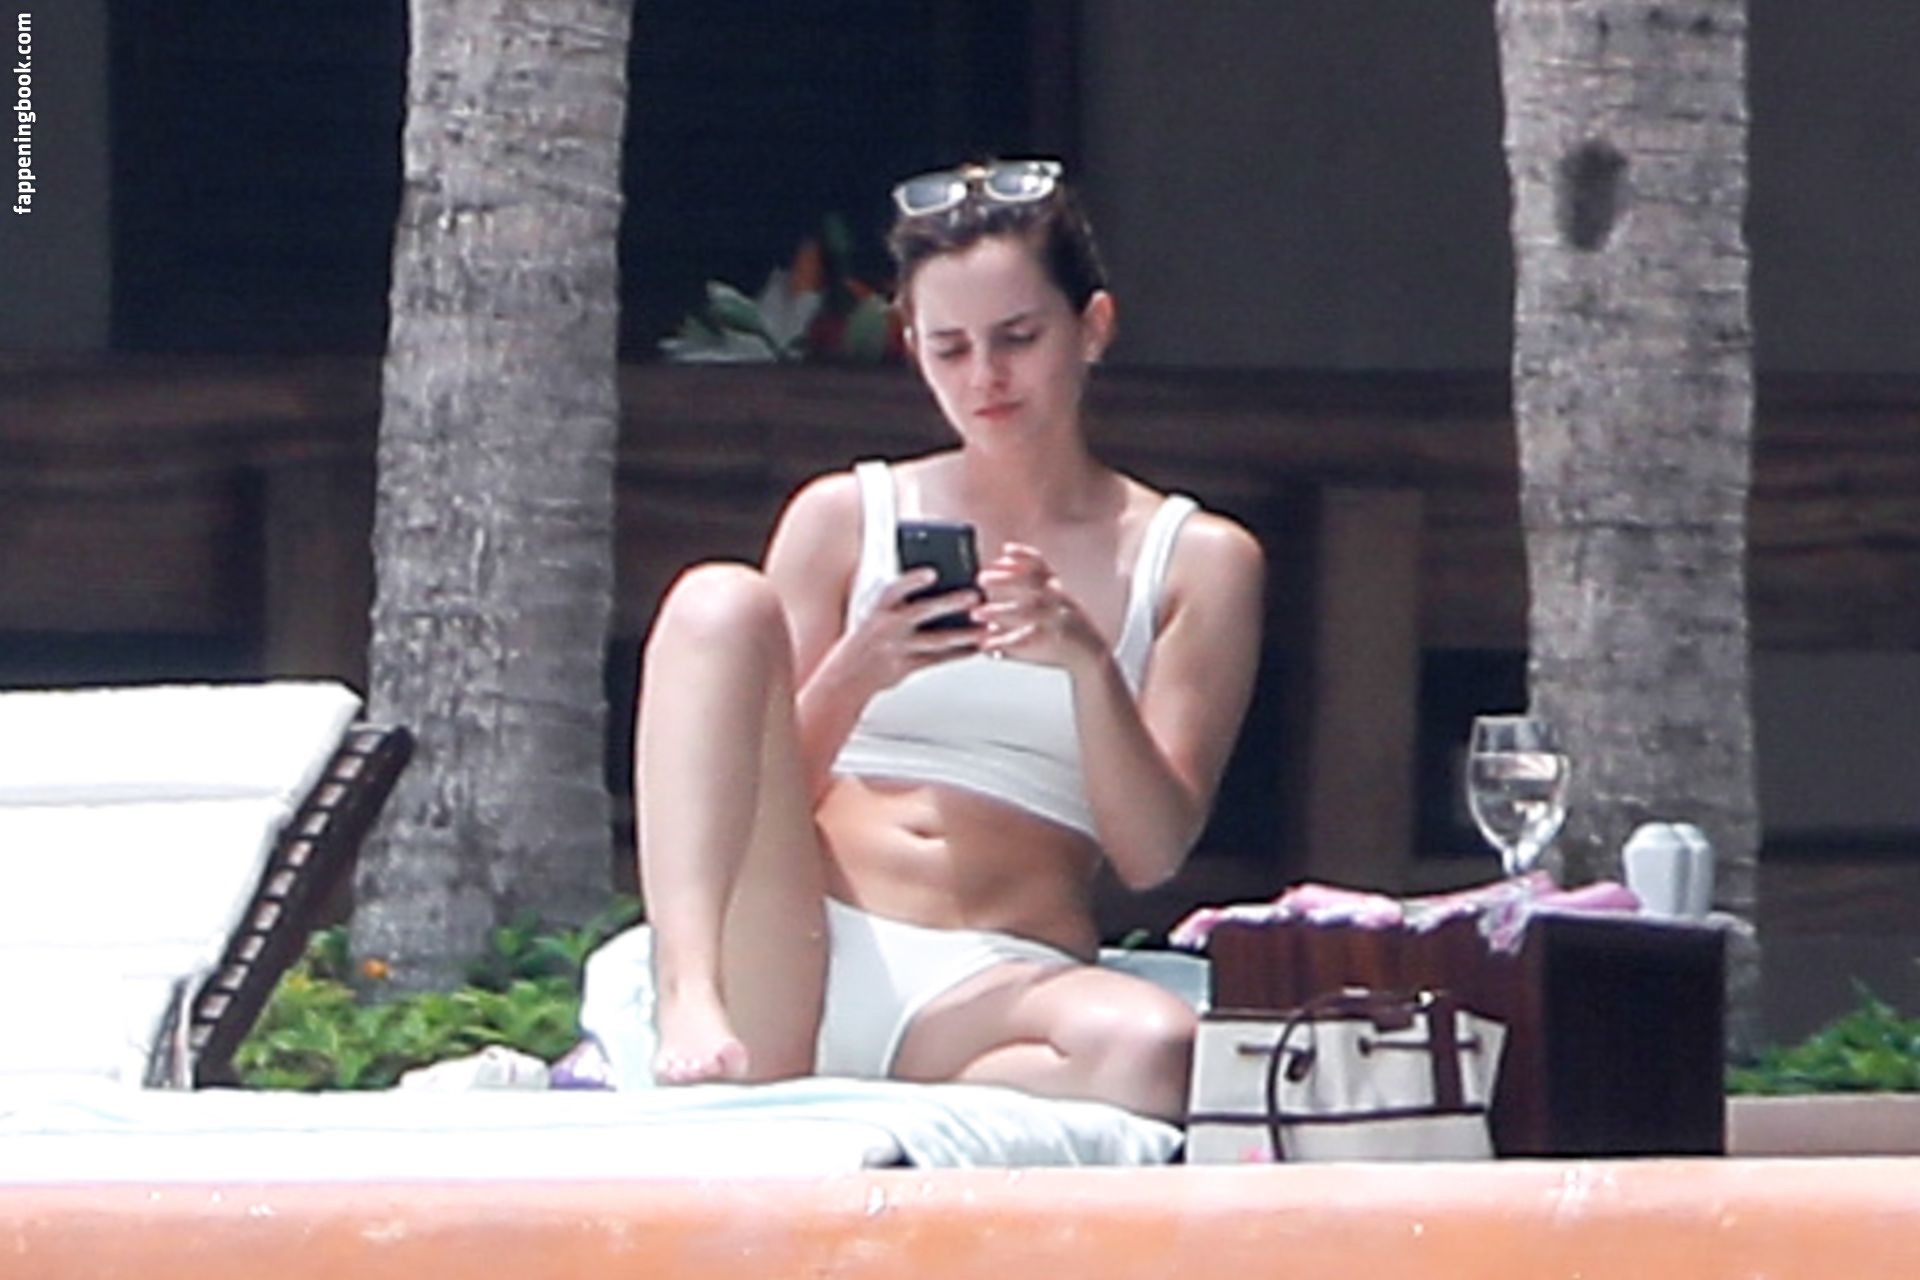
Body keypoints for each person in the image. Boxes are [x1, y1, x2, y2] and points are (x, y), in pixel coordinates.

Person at [633, 158, 1263, 1122]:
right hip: (796, 945)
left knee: (1156, 1052)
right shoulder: (844, 515)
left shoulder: (1197, 559)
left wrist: (1087, 664)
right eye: (949, 348)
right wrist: (859, 670)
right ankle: (687, 989)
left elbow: (1151, 853)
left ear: (1092, 328)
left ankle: (877, 1086)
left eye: (1018, 338)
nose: (985, 377)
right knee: (718, 602)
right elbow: (754, 789)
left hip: (994, 979)